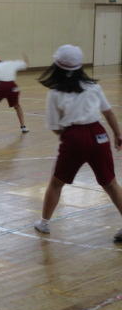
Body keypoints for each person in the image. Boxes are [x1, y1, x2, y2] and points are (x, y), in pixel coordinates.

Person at [33, 45, 122, 243]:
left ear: (57, 67)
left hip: (73, 137)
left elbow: (54, 126)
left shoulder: (55, 92)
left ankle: (44, 223)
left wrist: (69, 139)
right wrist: (117, 134)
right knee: (110, 183)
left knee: (56, 183)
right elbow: (108, 112)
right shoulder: (93, 86)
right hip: (99, 135)